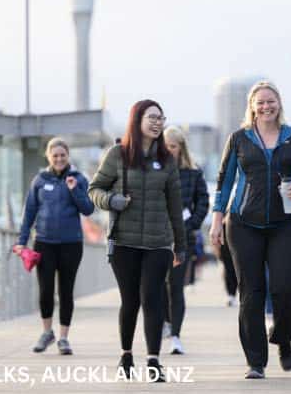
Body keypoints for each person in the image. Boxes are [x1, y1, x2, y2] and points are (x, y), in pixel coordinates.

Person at [209, 81, 291, 379]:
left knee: (285, 289)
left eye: (271, 101)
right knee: (251, 293)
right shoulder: (238, 139)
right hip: (243, 224)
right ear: (252, 106)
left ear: (279, 103)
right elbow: (224, 182)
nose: (266, 106)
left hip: (284, 224)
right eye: (260, 102)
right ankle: (255, 361)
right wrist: (217, 220)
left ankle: (283, 338)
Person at [88, 100, 186, 382]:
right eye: (151, 117)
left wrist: (180, 245)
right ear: (137, 119)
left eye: (161, 118)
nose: (157, 122)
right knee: (130, 301)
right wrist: (112, 200)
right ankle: (126, 354)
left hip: (158, 243)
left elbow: (175, 207)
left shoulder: (167, 160)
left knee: (153, 299)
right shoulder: (118, 154)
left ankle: (154, 361)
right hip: (124, 243)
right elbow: (94, 189)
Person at [14, 137, 94, 355]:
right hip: (44, 243)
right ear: (49, 157)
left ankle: (64, 338)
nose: (59, 159)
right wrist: (21, 241)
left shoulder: (78, 179)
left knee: (66, 291)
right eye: (55, 155)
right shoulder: (40, 180)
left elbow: (88, 209)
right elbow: (29, 212)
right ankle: (47, 332)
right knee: (45, 290)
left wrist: (74, 190)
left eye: (62, 155)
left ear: (68, 156)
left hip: (71, 244)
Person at [160, 125, 210, 355]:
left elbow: (203, 202)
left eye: (173, 146)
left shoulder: (193, 172)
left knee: (176, 287)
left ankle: (176, 336)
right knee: (158, 285)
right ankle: (165, 323)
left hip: (183, 238)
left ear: (181, 148)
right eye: (165, 146)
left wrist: (190, 225)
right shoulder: (154, 171)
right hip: (157, 238)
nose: (169, 150)